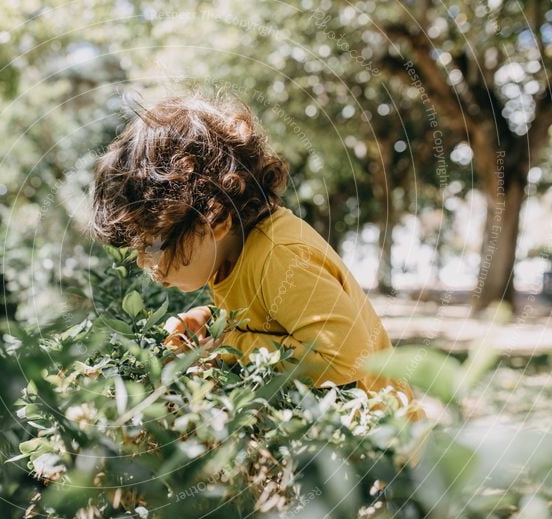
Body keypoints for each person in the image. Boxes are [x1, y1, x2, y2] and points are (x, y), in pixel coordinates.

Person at [89, 90, 424, 422]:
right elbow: (271, 320)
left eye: (153, 245)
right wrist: (211, 322)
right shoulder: (230, 257)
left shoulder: (280, 255)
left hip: (386, 445)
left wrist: (226, 343)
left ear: (214, 218)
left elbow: (340, 357)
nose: (145, 263)